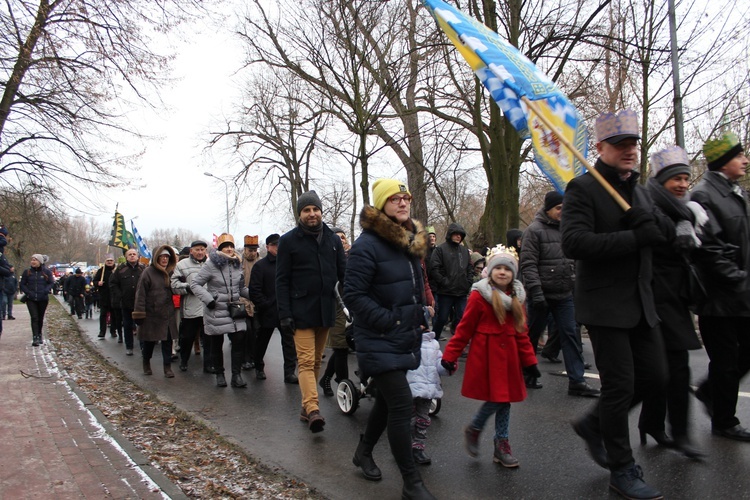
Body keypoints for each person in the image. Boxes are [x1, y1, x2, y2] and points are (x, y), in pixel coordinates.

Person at [561, 109, 670, 500]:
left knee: (656, 378)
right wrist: (633, 237)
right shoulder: (583, 188)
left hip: (641, 303)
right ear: (601, 147)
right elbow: (574, 243)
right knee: (620, 386)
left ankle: (594, 424)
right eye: (620, 144)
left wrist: (660, 226)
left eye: (633, 143)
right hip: (605, 305)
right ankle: (622, 470)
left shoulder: (640, 190)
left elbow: (660, 234)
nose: (629, 150)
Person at [344, 178, 436, 500]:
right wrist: (390, 319)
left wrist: (420, 314)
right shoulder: (366, 245)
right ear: (381, 204)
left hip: (403, 335)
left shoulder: (408, 242)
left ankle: (364, 452)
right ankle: (411, 483)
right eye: (394, 198)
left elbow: (409, 289)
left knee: (384, 402)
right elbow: (352, 294)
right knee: (400, 403)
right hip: (377, 337)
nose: (402, 202)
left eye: (405, 197)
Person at [637, 145, 706, 458]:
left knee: (670, 370)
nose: (681, 185)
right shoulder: (649, 205)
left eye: (685, 179)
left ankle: (655, 423)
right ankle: (677, 433)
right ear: (661, 180)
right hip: (653, 297)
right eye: (675, 179)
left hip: (674, 298)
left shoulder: (686, 212)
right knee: (668, 371)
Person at [442, 245, 538, 468]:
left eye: (507, 268)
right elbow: (464, 329)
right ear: (490, 270)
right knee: (500, 398)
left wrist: (530, 362)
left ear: (513, 273)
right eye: (498, 268)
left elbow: (522, 333)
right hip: (487, 357)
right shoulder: (479, 296)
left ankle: (501, 443)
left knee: (505, 401)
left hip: (510, 358)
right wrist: (450, 355)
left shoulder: (517, 297)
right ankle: (477, 429)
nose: (502, 272)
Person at [690, 132, 750, 442]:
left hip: (740, 295)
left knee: (744, 355)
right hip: (719, 298)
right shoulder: (704, 196)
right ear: (724, 161)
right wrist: (739, 278)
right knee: (726, 362)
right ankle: (725, 421)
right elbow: (709, 249)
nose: (745, 160)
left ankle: (709, 392)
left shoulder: (735, 192)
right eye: (739, 156)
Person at [276, 191, 346, 433]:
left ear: (320, 211)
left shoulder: (333, 240)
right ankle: (313, 408)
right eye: (306, 210)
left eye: (315, 209)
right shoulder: (288, 241)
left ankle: (306, 408)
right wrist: (285, 313)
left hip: (326, 310)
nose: (312, 214)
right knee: (305, 361)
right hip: (300, 311)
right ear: (300, 214)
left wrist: (352, 303)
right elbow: (281, 280)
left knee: (316, 360)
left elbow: (343, 275)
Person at [520, 190, 599, 398]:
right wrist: (536, 292)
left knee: (571, 335)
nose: (562, 212)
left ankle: (577, 381)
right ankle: (527, 374)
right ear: (548, 209)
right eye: (558, 208)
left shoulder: (569, 230)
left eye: (565, 208)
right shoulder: (534, 231)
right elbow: (528, 264)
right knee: (531, 336)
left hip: (565, 295)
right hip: (541, 295)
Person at [191, 233, 250, 388]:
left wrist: (255, 296)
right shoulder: (211, 265)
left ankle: (236, 376)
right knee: (217, 344)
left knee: (238, 342)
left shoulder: (238, 264)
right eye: (226, 246)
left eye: (231, 246)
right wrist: (209, 299)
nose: (229, 249)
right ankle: (219, 374)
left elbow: (241, 288)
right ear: (220, 248)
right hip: (216, 309)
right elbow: (195, 284)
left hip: (235, 310)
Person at [248, 233, 298, 383]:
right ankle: (258, 366)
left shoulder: (289, 264)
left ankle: (289, 373)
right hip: (267, 312)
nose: (278, 248)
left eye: (280, 244)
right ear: (268, 247)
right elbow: (254, 290)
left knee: (289, 343)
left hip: (285, 310)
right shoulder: (260, 266)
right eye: (275, 245)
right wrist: (266, 304)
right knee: (262, 341)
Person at [132, 246, 178, 378]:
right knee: (149, 342)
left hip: (167, 313)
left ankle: (167, 367)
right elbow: (140, 294)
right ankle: (146, 363)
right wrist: (139, 312)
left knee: (167, 342)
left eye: (167, 257)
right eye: (162, 256)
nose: (164, 259)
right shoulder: (148, 272)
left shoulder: (171, 272)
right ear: (156, 257)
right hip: (152, 313)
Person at [407, 328, 448, 466]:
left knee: (423, 420)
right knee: (410, 419)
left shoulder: (434, 343)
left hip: (428, 389)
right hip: (410, 389)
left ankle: (418, 447)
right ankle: (405, 447)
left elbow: (439, 365)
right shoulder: (406, 340)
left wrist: (447, 365)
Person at [319, 227, 351, 396]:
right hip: (336, 305)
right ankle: (344, 386)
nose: (341, 240)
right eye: (337, 238)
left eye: (343, 237)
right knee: (341, 347)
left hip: (352, 305)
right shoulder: (327, 259)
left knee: (345, 346)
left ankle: (326, 378)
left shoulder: (355, 256)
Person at [429, 222, 473, 340]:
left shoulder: (464, 251)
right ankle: (434, 338)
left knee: (462, 318)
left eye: (461, 234)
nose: (458, 236)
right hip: (446, 292)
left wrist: (468, 282)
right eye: (456, 234)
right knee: (442, 318)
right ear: (450, 234)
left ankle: (459, 344)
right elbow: (434, 268)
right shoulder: (440, 250)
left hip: (461, 291)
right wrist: (444, 282)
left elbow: (470, 268)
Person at [171, 240, 208, 373]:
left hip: (208, 308)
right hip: (190, 309)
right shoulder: (182, 265)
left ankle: (208, 365)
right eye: (197, 249)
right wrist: (187, 287)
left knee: (208, 340)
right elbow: (173, 284)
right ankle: (184, 361)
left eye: (202, 249)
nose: (200, 252)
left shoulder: (211, 264)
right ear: (191, 251)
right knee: (187, 338)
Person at [110, 248, 146, 356]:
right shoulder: (120, 269)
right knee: (127, 325)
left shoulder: (143, 269)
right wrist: (120, 295)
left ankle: (143, 346)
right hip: (126, 303)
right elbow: (113, 284)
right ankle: (129, 346)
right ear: (126, 257)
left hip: (140, 303)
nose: (132, 256)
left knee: (142, 325)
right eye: (130, 254)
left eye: (134, 254)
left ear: (138, 256)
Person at [20, 254, 54, 346]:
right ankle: (35, 336)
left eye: (35, 260)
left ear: (40, 262)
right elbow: (22, 284)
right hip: (31, 299)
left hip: (42, 298)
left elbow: (51, 283)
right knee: (34, 317)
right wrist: (28, 292)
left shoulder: (46, 272)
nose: (33, 261)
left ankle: (39, 334)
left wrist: (46, 290)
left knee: (40, 317)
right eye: (32, 260)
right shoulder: (27, 272)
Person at [241, 235, 260, 371]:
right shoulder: (238, 262)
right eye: (250, 250)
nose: (252, 253)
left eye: (254, 250)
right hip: (242, 301)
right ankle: (245, 358)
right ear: (245, 249)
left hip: (257, 301)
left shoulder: (261, 262)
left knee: (256, 331)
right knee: (245, 331)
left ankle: (255, 357)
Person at [93, 255, 118, 339]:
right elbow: (94, 281)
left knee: (114, 315)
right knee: (103, 314)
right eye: (108, 261)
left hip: (114, 296)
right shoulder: (101, 271)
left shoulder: (116, 271)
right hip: (104, 296)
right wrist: (98, 283)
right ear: (105, 262)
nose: (110, 262)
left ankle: (113, 331)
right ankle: (102, 331)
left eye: (111, 260)